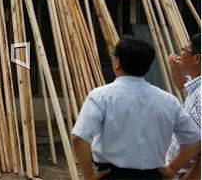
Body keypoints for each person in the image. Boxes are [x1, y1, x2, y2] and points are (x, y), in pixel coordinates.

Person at [71, 36, 200, 180]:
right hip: (152, 175)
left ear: (117, 62)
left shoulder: (101, 96)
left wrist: (89, 175)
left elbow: (78, 137)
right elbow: (194, 140)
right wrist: (171, 169)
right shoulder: (168, 101)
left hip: (111, 175)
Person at [166, 34, 201, 179]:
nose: (180, 53)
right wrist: (175, 68)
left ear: (196, 58)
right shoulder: (196, 86)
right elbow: (183, 86)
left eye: (184, 49)